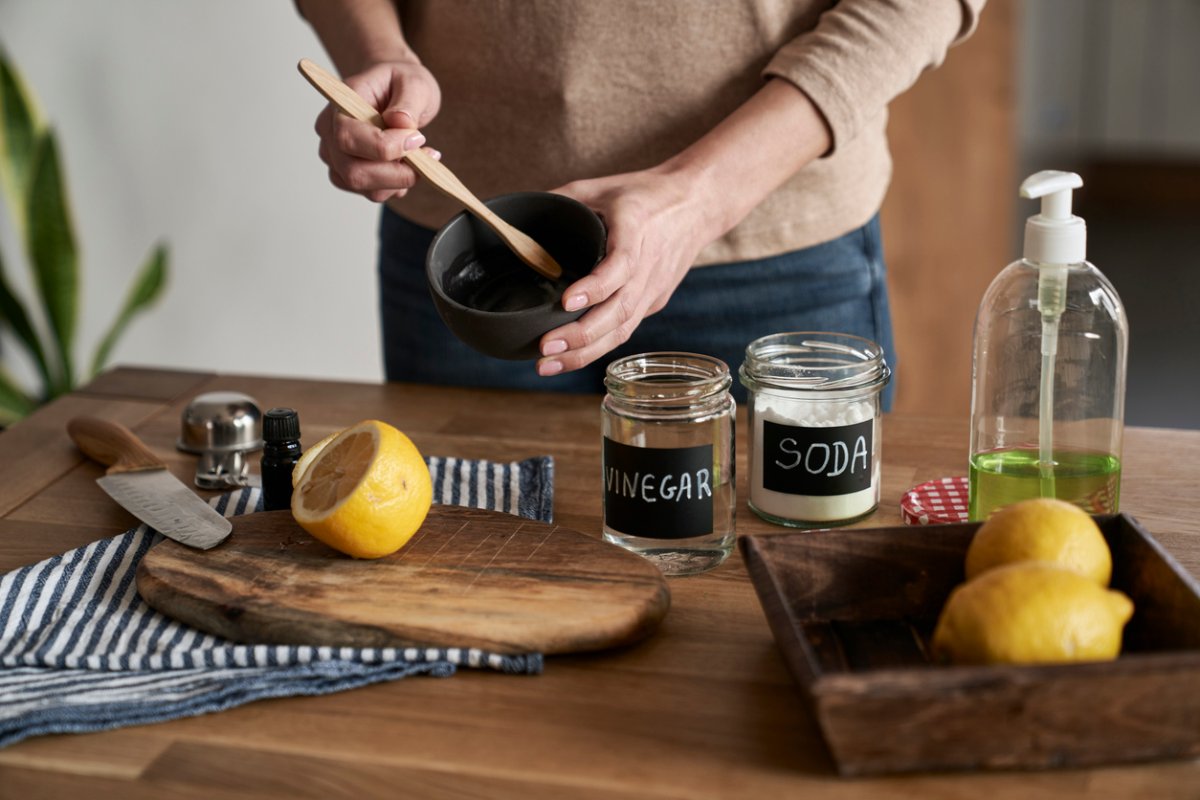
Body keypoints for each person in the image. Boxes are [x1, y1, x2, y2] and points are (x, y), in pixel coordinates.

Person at [297, 0, 985, 406]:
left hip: (775, 249)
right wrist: (380, 52)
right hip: (474, 262)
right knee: (465, 589)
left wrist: (705, 194)